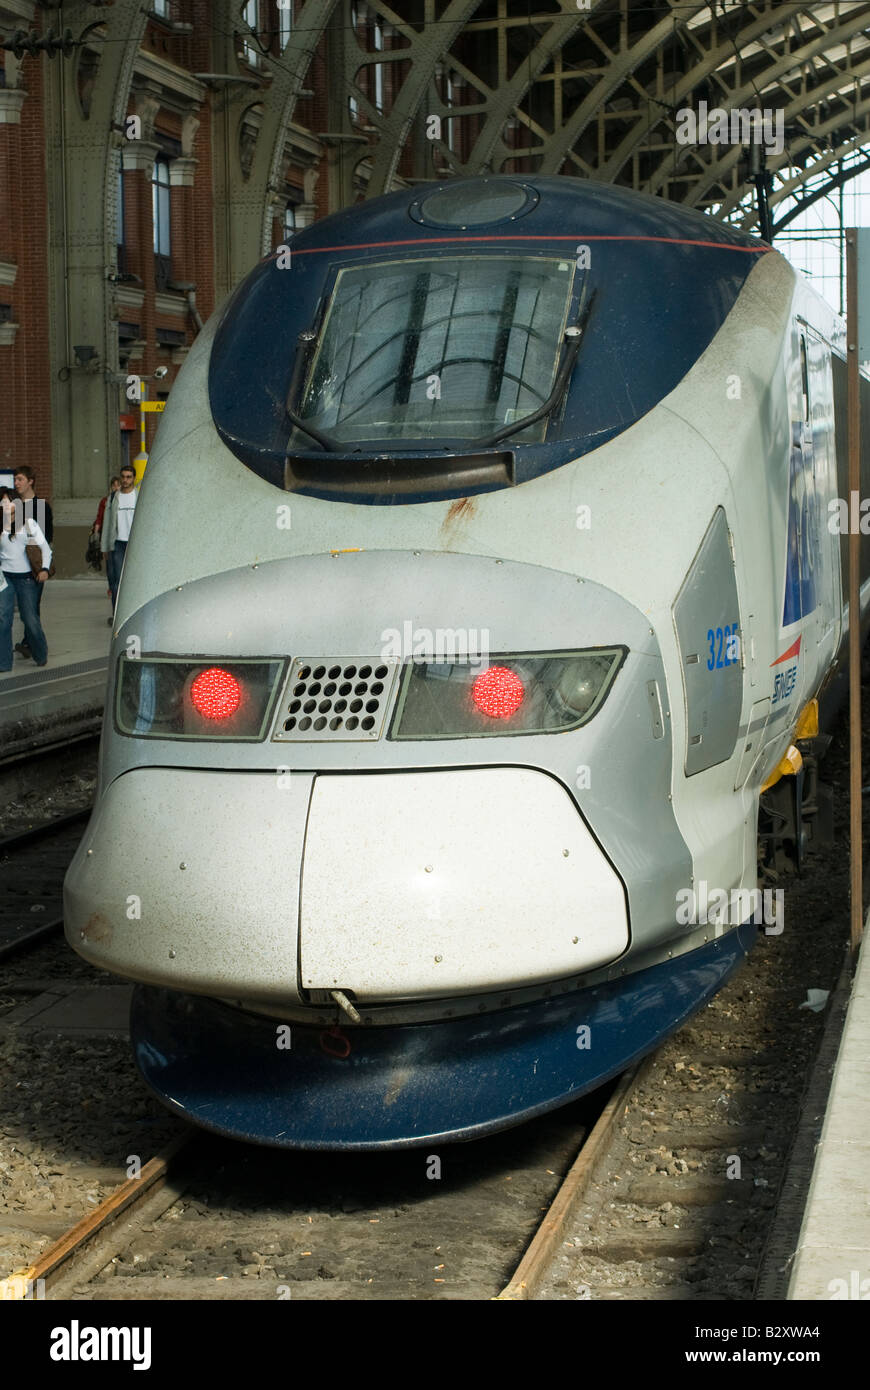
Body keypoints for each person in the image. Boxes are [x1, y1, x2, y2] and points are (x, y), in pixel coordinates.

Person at [0, 487, 52, 671]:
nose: (5, 505)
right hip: (5, 578)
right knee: (3, 618)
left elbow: (46, 549)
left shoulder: (29, 524)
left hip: (26, 580)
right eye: (3, 502)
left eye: (8, 501)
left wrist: (44, 569)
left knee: (29, 618)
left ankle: (40, 653)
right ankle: (4, 663)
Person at [13, 466, 53, 657]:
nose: (16, 483)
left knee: (32, 607)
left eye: (20, 479)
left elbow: (47, 537)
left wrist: (42, 566)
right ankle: (29, 642)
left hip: (33, 565)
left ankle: (34, 645)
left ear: (31, 481)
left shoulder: (41, 507)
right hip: (13, 565)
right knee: (25, 608)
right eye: (15, 480)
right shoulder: (13, 505)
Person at [101, 465, 138, 613]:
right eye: (123, 476)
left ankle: (132, 613)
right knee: (116, 582)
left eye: (129, 477)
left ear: (134, 478)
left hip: (135, 544)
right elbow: (107, 523)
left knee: (135, 580)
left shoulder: (139, 496)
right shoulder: (113, 498)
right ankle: (117, 613)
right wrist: (104, 547)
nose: (125, 480)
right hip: (117, 544)